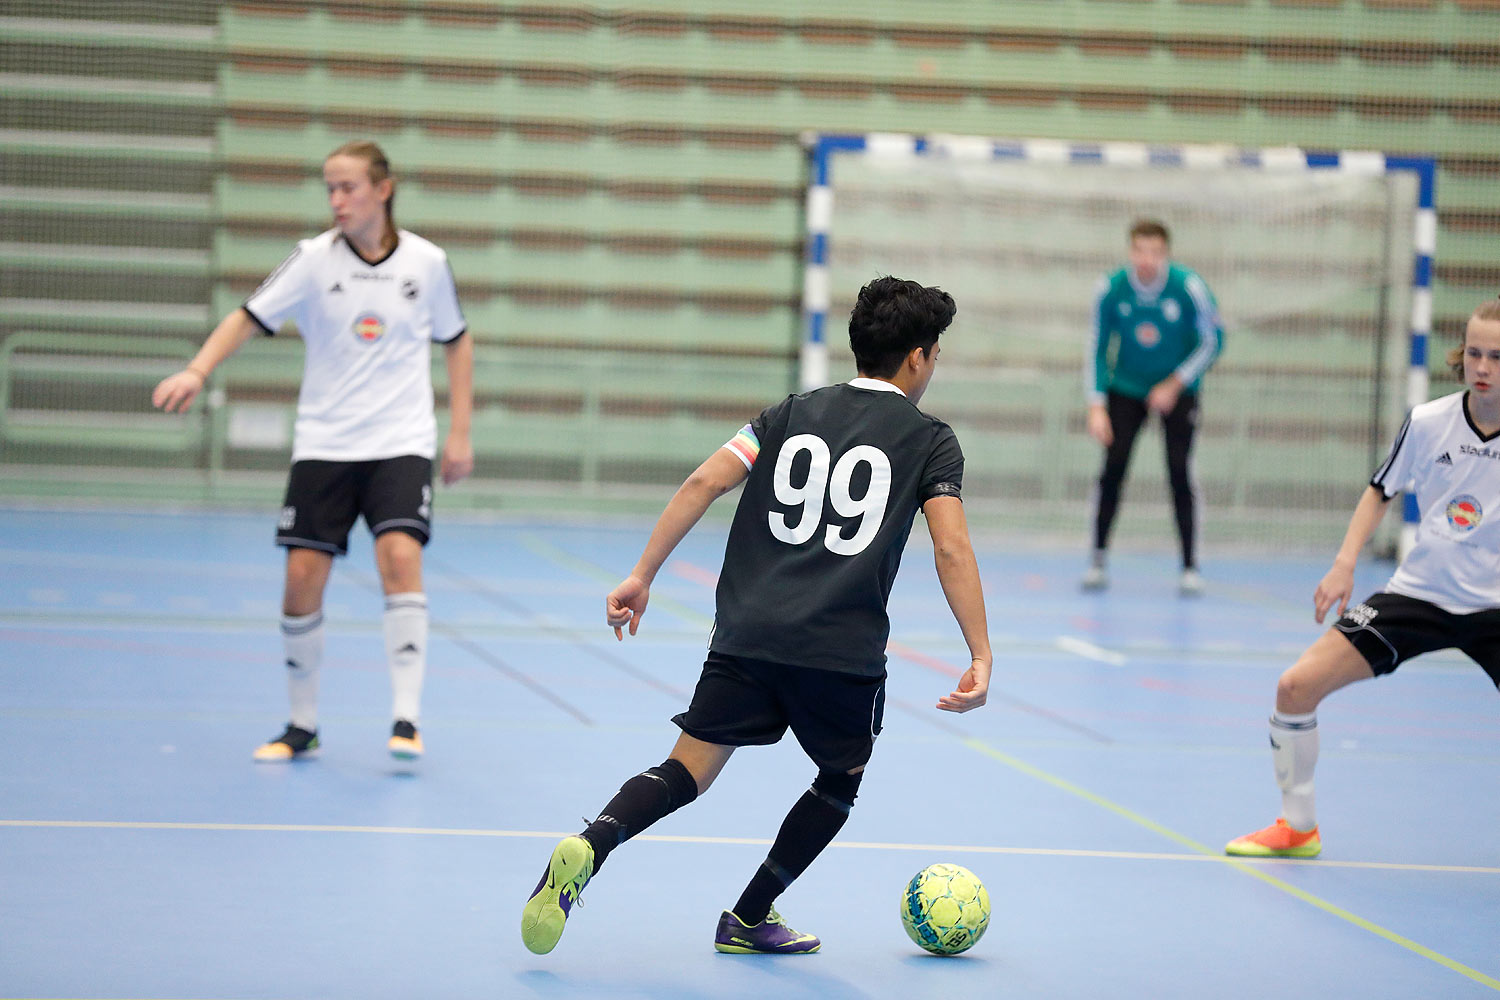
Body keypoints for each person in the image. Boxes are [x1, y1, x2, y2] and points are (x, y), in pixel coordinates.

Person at [519, 276, 993, 956]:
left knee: (686, 771)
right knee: (839, 779)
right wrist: (979, 653)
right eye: (936, 353)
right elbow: (950, 546)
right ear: (916, 357)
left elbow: (704, 481)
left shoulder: (787, 413)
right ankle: (748, 916)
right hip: (840, 650)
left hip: (747, 631)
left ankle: (591, 843)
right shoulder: (930, 441)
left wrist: (642, 574)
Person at [152, 140, 474, 762]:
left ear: (383, 189)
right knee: (301, 579)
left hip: (400, 441)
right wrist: (197, 370)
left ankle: (406, 718)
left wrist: (458, 432)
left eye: (348, 187)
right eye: (329, 188)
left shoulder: (428, 263)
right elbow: (246, 317)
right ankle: (302, 724)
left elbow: (456, 341)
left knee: (399, 554)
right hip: (325, 442)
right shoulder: (310, 260)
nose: (337, 200)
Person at [1226, 299, 1500, 858]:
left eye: (1496, 356)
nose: (1483, 367)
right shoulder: (1429, 423)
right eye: (1473, 352)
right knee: (1295, 688)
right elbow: (1381, 489)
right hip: (1419, 595)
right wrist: (1345, 564)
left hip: (1495, 606)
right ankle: (1298, 827)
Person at [1082, 219, 1223, 595]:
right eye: (1139, 251)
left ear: (1165, 254)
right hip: (1125, 388)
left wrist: (1175, 383)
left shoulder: (1188, 287)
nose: (1146, 259)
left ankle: (1191, 566)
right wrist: (1096, 405)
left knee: (1180, 471)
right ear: (1130, 252)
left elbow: (1213, 340)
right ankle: (1097, 558)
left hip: (1177, 389)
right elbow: (1096, 346)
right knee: (1113, 468)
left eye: (1154, 252)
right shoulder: (1111, 289)